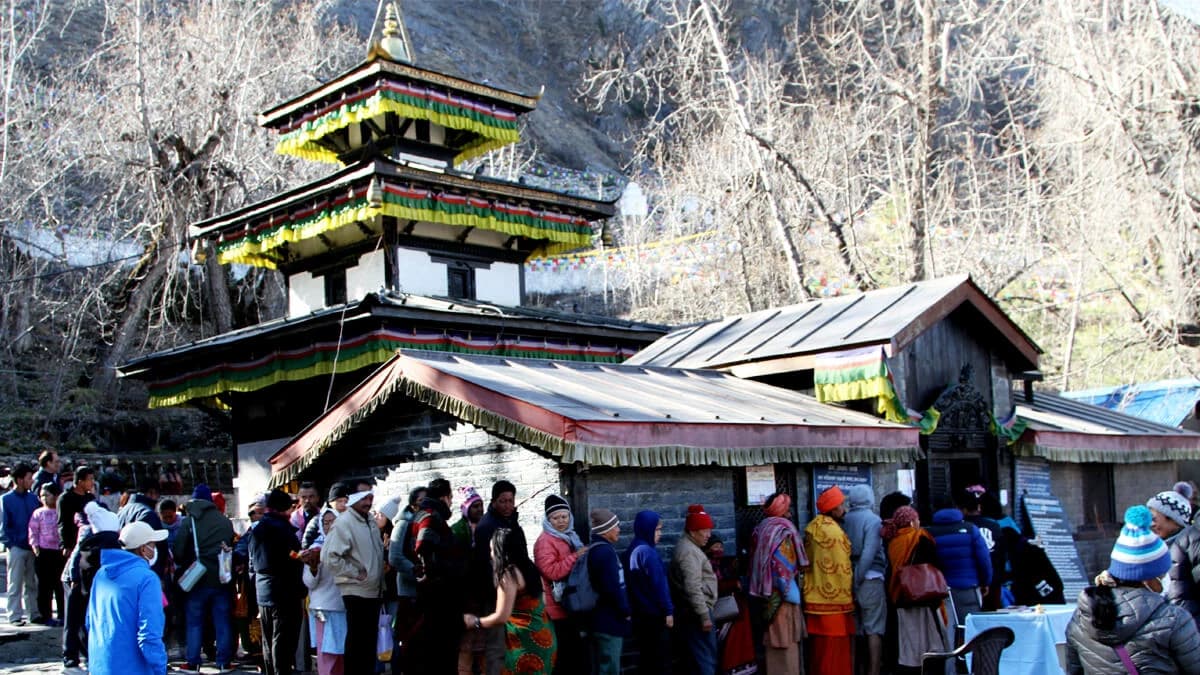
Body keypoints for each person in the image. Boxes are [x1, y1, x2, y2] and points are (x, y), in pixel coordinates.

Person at [1067, 505, 1200, 673]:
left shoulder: (1081, 617)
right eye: (1162, 573)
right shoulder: (1174, 620)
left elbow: (1073, 670)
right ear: (1149, 579)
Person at [463, 528, 556, 674]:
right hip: (544, 635)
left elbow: (501, 616)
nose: (491, 554)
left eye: (493, 549)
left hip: (525, 642)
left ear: (501, 551)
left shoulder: (508, 575)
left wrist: (475, 621)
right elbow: (543, 598)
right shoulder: (530, 567)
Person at [86, 521, 169, 675]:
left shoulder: (101, 573)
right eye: (153, 545)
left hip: (100, 664)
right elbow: (149, 635)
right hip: (133, 667)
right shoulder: (148, 579)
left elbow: (90, 621)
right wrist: (160, 669)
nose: (154, 549)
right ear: (143, 548)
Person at [321, 488, 385, 675]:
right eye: (363, 498)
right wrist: (356, 573)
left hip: (373, 590)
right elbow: (329, 557)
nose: (368, 502)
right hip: (356, 591)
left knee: (367, 644)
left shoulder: (370, 521)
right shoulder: (344, 523)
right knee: (358, 644)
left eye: (370, 497)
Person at [882, 506, 952, 674]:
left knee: (909, 647)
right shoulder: (920, 538)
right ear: (912, 521)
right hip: (924, 599)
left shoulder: (893, 542)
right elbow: (934, 565)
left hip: (901, 600)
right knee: (931, 644)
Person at [174, 483, 236, 672]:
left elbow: (178, 552)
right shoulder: (225, 521)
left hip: (197, 579)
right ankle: (224, 662)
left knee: (194, 621)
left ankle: (193, 663)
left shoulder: (189, 521)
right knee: (222, 621)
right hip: (221, 577)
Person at [410, 477, 468, 674]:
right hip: (438, 596)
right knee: (441, 651)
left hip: (435, 594)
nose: (451, 502)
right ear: (444, 497)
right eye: (450, 498)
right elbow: (423, 548)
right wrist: (434, 574)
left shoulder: (423, 515)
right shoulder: (430, 517)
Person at [248, 488, 304, 675]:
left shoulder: (257, 529)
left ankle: (271, 671)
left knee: (268, 637)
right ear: (286, 509)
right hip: (284, 590)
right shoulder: (282, 530)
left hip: (263, 590)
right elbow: (292, 556)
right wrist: (302, 556)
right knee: (283, 639)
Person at [61, 501, 121, 673]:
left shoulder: (104, 538)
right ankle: (71, 659)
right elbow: (76, 557)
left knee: (84, 620)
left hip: (85, 579)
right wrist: (74, 578)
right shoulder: (89, 534)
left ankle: (89, 656)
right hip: (76, 579)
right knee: (75, 620)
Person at [749, 492, 806, 675]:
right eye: (787, 507)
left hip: (764, 595)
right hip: (782, 597)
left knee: (772, 644)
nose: (789, 512)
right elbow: (783, 569)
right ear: (782, 510)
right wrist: (791, 593)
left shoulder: (760, 529)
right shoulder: (782, 532)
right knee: (785, 643)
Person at [472, 480, 525, 675]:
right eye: (503, 501)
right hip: (494, 593)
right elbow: (482, 565)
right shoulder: (488, 526)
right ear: (493, 501)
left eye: (511, 500)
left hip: (513, 592)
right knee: (496, 646)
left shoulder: (510, 521)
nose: (508, 505)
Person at [533, 494, 589, 675]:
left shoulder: (569, 536)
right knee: (565, 655)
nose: (561, 521)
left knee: (574, 653)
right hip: (555, 609)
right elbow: (551, 571)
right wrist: (576, 557)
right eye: (555, 518)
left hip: (569, 604)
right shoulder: (545, 541)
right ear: (548, 520)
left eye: (564, 516)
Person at [804, 486, 855, 675]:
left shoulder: (813, 527)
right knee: (834, 653)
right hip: (835, 603)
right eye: (841, 504)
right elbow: (843, 570)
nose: (844, 508)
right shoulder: (834, 532)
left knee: (819, 653)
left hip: (815, 599)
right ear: (833, 508)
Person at [926, 495, 991, 626]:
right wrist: (985, 582)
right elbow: (984, 559)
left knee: (948, 632)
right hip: (969, 588)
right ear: (956, 508)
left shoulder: (928, 533)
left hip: (942, 591)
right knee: (970, 629)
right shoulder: (970, 529)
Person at [669, 504, 718, 675]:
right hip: (696, 613)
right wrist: (704, 616)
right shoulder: (689, 552)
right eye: (704, 530)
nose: (708, 535)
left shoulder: (690, 548)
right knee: (704, 658)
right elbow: (693, 587)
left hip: (693, 612)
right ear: (692, 531)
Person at [843, 484, 885, 675]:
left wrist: (851, 581)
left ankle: (854, 669)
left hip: (847, 578)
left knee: (855, 628)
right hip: (870, 578)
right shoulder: (874, 520)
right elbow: (869, 553)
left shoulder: (844, 520)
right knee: (873, 628)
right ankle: (873, 670)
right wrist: (858, 579)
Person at [624, 510, 673, 675]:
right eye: (657, 529)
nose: (660, 534)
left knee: (647, 659)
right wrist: (668, 611)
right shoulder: (647, 552)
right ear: (647, 529)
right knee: (659, 661)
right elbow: (659, 585)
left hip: (640, 615)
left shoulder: (633, 548)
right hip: (654, 615)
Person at [587, 508, 630, 675]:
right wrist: (625, 611)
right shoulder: (604, 553)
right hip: (608, 622)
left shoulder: (597, 549)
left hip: (600, 619)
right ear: (605, 529)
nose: (619, 529)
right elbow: (612, 588)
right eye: (616, 526)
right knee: (610, 668)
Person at [304, 509, 346, 675]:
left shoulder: (348, 544)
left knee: (342, 653)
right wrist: (313, 567)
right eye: (325, 522)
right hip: (323, 608)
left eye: (332, 521)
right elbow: (309, 582)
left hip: (343, 606)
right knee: (327, 654)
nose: (329, 526)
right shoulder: (315, 548)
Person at [388, 485, 425, 672]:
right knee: (405, 638)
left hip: (422, 590)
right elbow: (394, 557)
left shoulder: (424, 523)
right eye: (421, 501)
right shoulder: (404, 524)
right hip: (407, 590)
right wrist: (416, 570)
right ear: (412, 505)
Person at [2, 463, 41, 625]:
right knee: (15, 583)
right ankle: (14, 615)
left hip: (32, 547)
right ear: (19, 479)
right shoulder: (5, 500)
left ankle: (34, 613)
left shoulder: (33, 498)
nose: (32, 481)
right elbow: (3, 526)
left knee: (32, 583)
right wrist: (11, 544)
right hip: (16, 547)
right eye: (29, 478)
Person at [959, 487, 1006, 611]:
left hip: (970, 581)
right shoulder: (994, 525)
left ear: (962, 510)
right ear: (979, 507)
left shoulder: (963, 528)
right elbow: (1001, 554)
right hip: (994, 578)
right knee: (992, 616)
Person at [117, 479, 168, 577]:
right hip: (143, 573)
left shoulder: (122, 511)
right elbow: (151, 552)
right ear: (152, 493)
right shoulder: (147, 513)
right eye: (158, 495)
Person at [29, 483, 64, 626]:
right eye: (41, 495)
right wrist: (35, 545)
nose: (43, 498)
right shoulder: (38, 513)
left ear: (56, 496)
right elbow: (33, 530)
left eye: (47, 495)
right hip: (44, 552)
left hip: (59, 552)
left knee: (60, 585)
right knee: (44, 586)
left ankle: (62, 614)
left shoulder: (61, 511)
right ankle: (46, 615)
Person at [57, 466, 95, 559]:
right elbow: (63, 522)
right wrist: (65, 545)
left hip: (88, 541)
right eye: (90, 479)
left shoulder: (90, 498)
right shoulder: (65, 498)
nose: (92, 483)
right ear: (80, 481)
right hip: (72, 541)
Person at [305, 482, 350, 549]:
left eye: (346, 501)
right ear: (330, 502)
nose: (343, 504)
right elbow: (306, 542)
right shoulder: (317, 520)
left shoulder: (351, 518)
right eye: (339, 501)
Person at [451, 485, 484, 550]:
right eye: (475, 506)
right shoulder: (457, 531)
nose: (480, 509)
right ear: (466, 509)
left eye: (481, 505)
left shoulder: (485, 525)